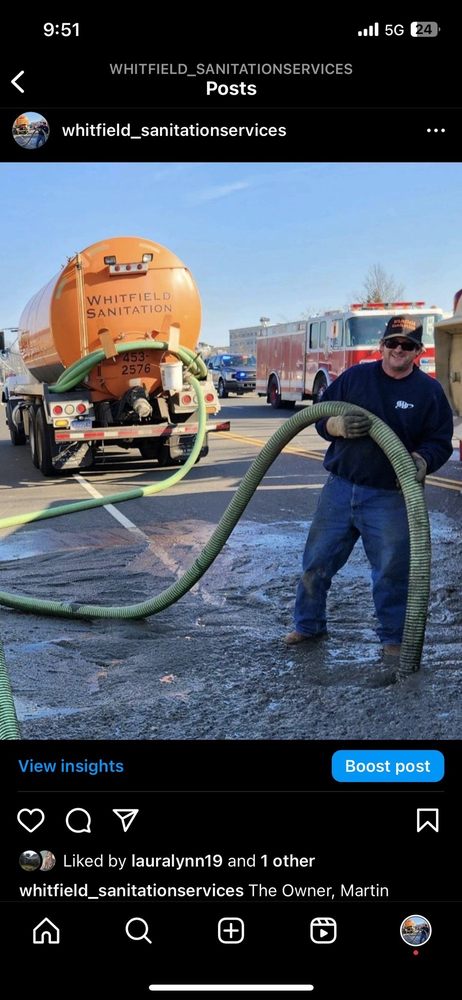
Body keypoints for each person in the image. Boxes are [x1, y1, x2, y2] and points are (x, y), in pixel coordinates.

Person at [284, 315, 454, 666]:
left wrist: (422, 461)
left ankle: (394, 639)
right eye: (392, 343)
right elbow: (318, 415)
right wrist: (335, 425)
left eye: (407, 346)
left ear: (418, 352)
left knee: (392, 571)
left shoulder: (428, 392)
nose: (398, 350)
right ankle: (308, 625)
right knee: (315, 563)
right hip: (341, 487)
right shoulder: (357, 378)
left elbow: (440, 442)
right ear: (381, 346)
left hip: (390, 495)